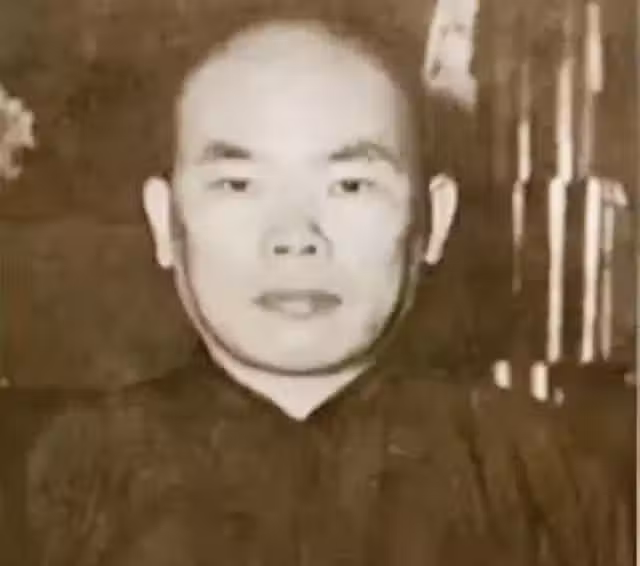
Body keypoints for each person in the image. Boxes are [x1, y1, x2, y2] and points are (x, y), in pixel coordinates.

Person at [0, 1, 633, 565]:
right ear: (165, 221)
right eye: (238, 184)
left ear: (433, 221)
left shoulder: (550, 481)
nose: (295, 235)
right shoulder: (49, 482)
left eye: (350, 185)